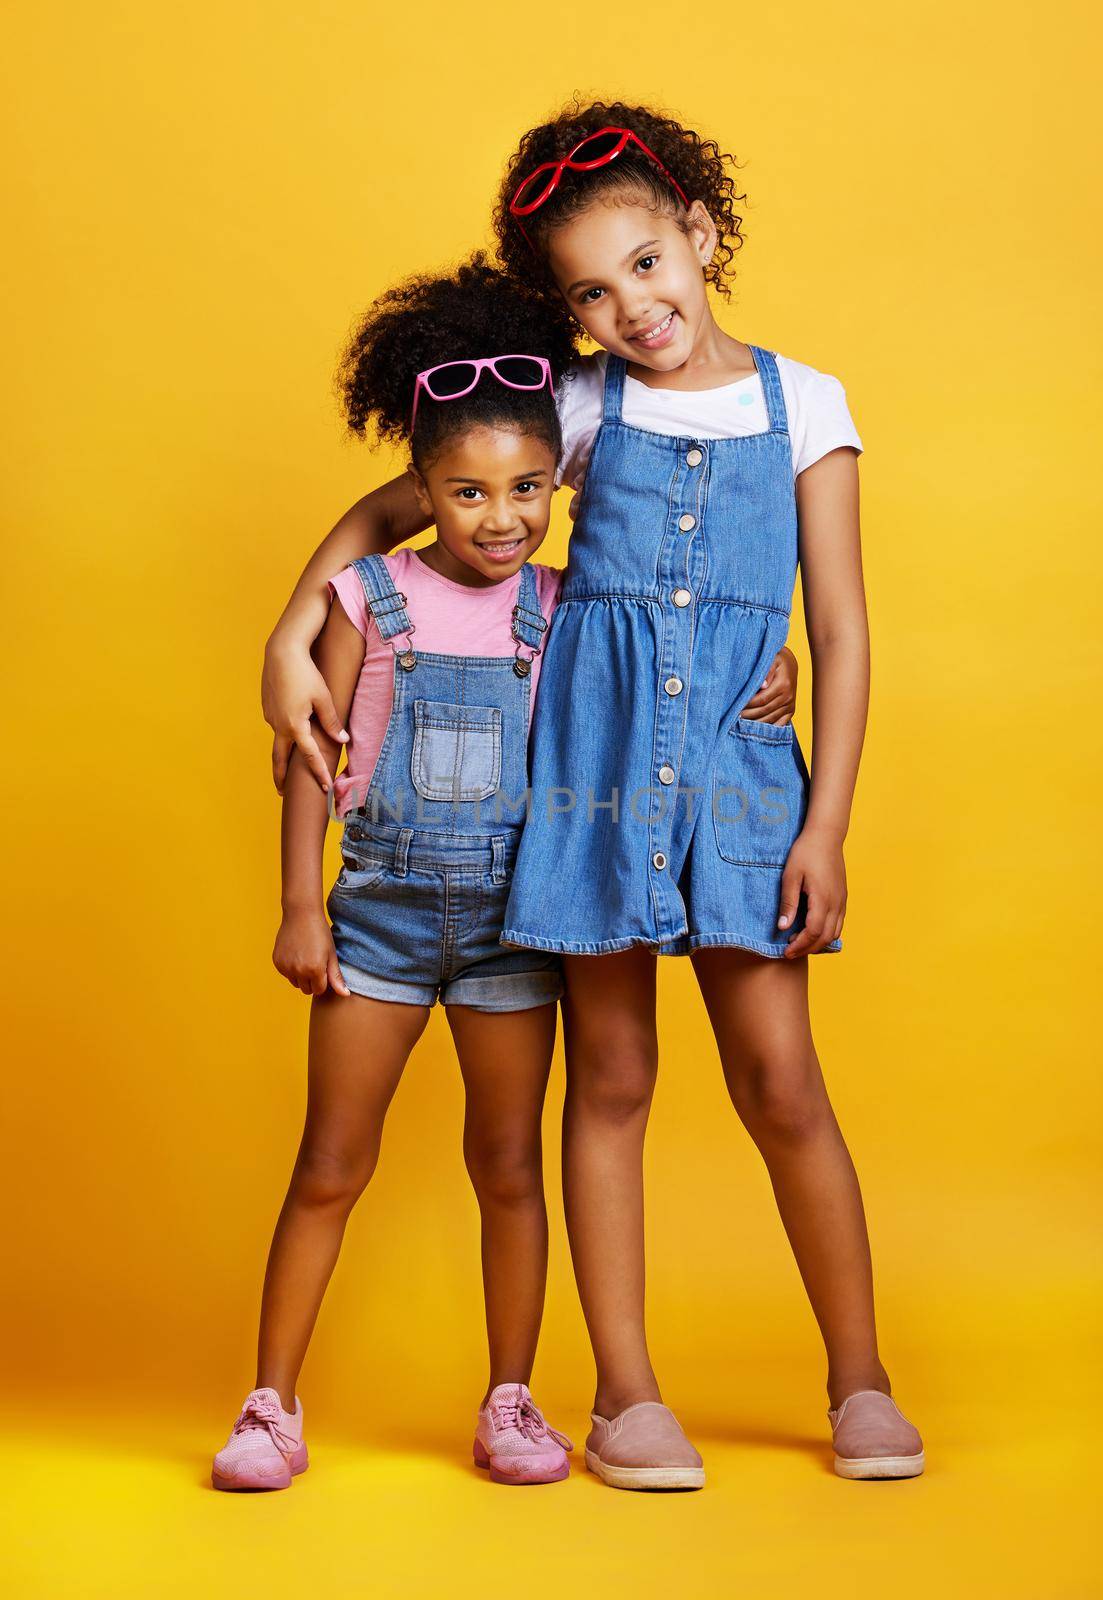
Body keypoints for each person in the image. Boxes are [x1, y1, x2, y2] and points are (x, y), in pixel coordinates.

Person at [265, 97, 922, 1489]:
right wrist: (285, 635)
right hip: (589, 788)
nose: (629, 307)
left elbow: (847, 628)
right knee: (612, 1078)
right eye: (587, 292)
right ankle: (626, 1396)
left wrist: (828, 821)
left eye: (644, 264)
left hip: (744, 788)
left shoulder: (809, 405)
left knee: (782, 1081)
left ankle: (860, 1378)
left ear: (697, 232)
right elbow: (403, 512)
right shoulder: (573, 403)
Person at [213, 257, 577, 1492]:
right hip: (371, 923)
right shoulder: (364, 597)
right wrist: (300, 903)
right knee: (330, 1160)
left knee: (510, 1163)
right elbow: (313, 758)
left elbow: (655, 687)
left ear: (556, 483)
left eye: (527, 488)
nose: (501, 517)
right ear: (418, 489)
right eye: (468, 491)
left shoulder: (562, 606)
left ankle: (512, 1398)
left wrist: (776, 669)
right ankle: (270, 1403)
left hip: (515, 934)